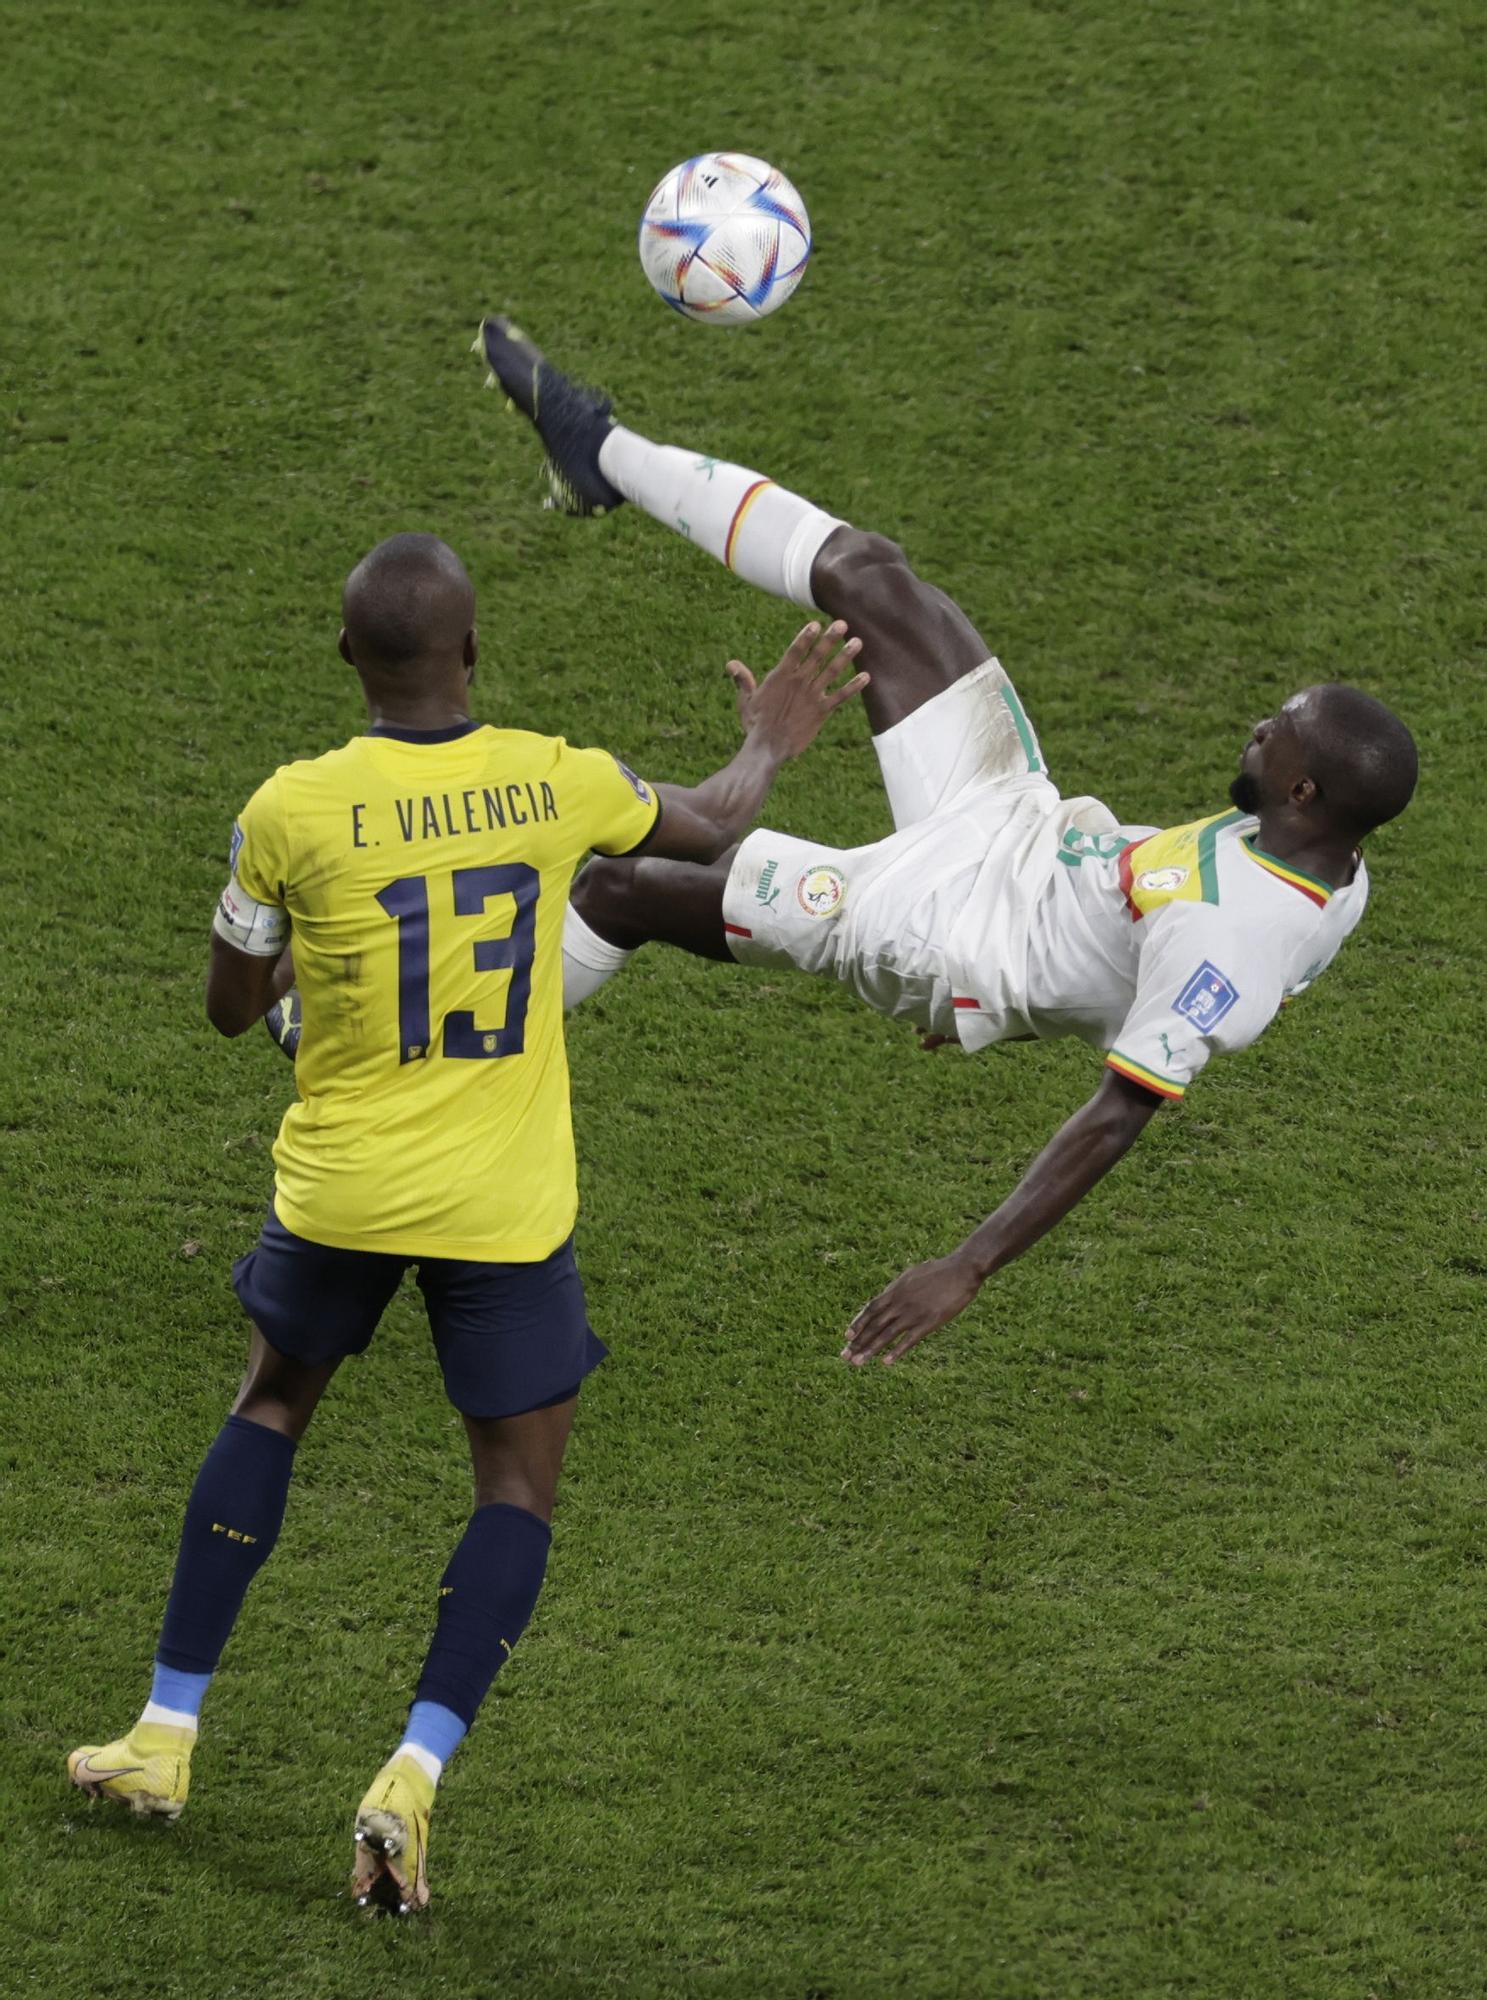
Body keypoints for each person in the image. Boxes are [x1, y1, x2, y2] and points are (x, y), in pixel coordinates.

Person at [66, 532, 864, 1914]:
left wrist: (312, 987)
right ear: (474, 652)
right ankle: (412, 1776)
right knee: (514, 1488)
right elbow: (715, 820)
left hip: (341, 1193)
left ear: (345, 660)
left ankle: (163, 1735)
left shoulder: (289, 810)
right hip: (501, 1208)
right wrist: (769, 732)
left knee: (270, 1409)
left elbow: (228, 1008)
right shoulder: (558, 779)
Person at [475, 318, 1419, 1371]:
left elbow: (1117, 1113)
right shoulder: (1329, 858)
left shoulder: (1232, 934)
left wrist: (964, 1262)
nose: (1256, 720)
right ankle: (595, 453)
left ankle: (403, 1041)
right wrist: (1033, 1004)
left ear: (1299, 787)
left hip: (938, 933)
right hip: (1014, 825)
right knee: (869, 577)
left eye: (1274, 725)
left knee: (622, 885)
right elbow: (1133, 973)